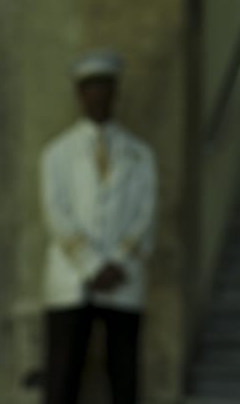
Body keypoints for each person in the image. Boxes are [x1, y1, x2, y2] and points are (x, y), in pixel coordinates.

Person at [40, 49, 157, 404]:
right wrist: (91, 265)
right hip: (72, 278)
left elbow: (146, 212)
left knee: (124, 373)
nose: (98, 96)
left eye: (105, 87)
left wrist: (116, 262)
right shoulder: (57, 153)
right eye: (91, 88)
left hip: (122, 277)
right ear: (80, 94)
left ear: (114, 92)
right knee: (64, 372)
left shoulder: (139, 154)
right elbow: (55, 212)